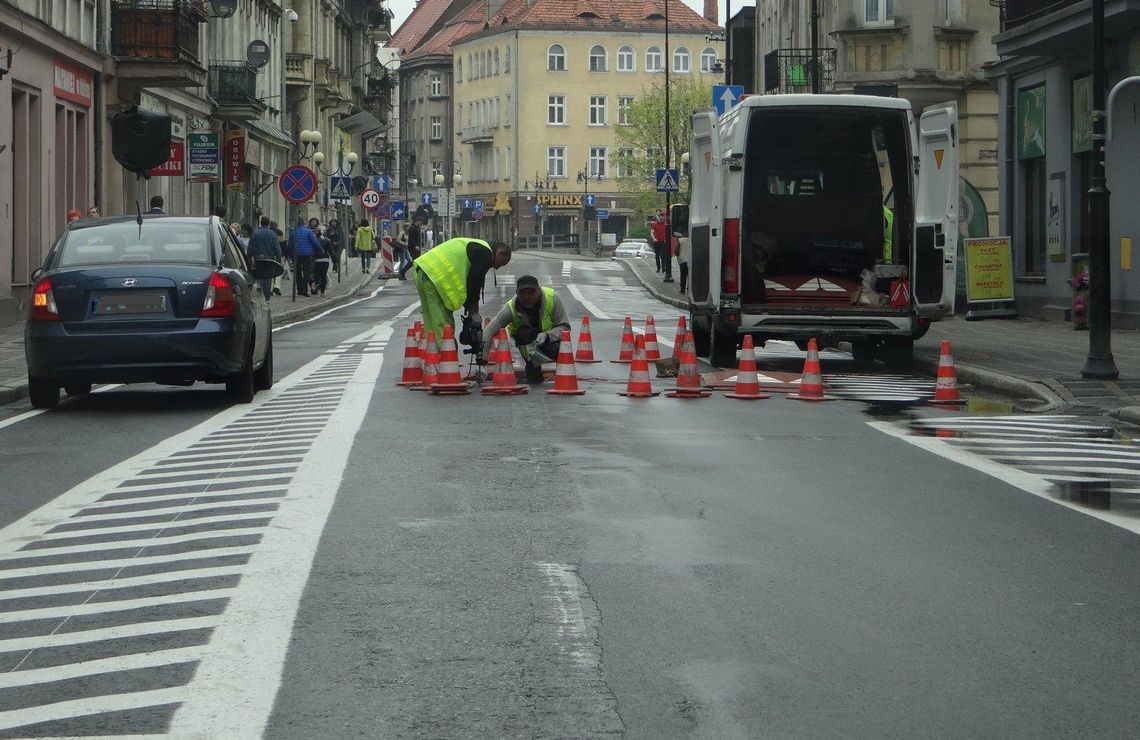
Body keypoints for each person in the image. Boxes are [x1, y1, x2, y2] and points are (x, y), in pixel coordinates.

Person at [412, 237, 512, 350]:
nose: (498, 267)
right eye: (502, 263)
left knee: (431, 323)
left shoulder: (477, 246)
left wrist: (470, 308)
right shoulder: (485, 253)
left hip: (424, 273)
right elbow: (474, 282)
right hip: (434, 278)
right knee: (443, 324)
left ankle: (431, 357)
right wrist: (474, 313)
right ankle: (445, 359)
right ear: (501, 253)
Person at [481, 275, 570, 383]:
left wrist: (547, 335)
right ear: (517, 293)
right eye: (523, 293)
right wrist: (482, 359)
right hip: (528, 347)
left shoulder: (552, 298)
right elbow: (489, 331)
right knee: (524, 333)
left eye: (531, 292)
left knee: (558, 348)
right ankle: (533, 372)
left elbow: (565, 328)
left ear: (539, 291)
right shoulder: (511, 307)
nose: (527, 297)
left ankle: (565, 375)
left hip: (549, 342)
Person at [247, 216, 283, 300]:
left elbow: (250, 248)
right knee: (268, 278)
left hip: (258, 259)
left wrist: (249, 259)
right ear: (268, 223)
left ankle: (260, 295)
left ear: (261, 222)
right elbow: (277, 249)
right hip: (269, 259)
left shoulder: (255, 233)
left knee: (259, 277)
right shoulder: (272, 234)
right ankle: (267, 298)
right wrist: (278, 260)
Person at [289, 216, 320, 296]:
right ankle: (305, 291)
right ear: (303, 223)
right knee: (307, 272)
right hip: (307, 254)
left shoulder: (293, 233)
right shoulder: (309, 232)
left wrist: (290, 255)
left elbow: (290, 246)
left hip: (296, 255)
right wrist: (320, 249)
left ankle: (299, 290)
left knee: (297, 273)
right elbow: (315, 242)